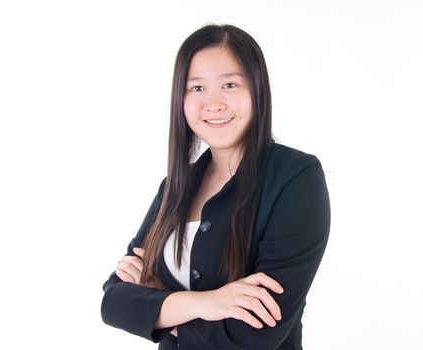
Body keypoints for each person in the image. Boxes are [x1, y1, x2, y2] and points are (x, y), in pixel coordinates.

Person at [101, 23, 331, 350]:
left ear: (257, 91)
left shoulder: (295, 178)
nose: (214, 103)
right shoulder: (175, 186)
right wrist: (209, 302)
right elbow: (115, 302)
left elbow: (253, 335)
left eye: (230, 84)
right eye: (197, 88)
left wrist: (160, 303)